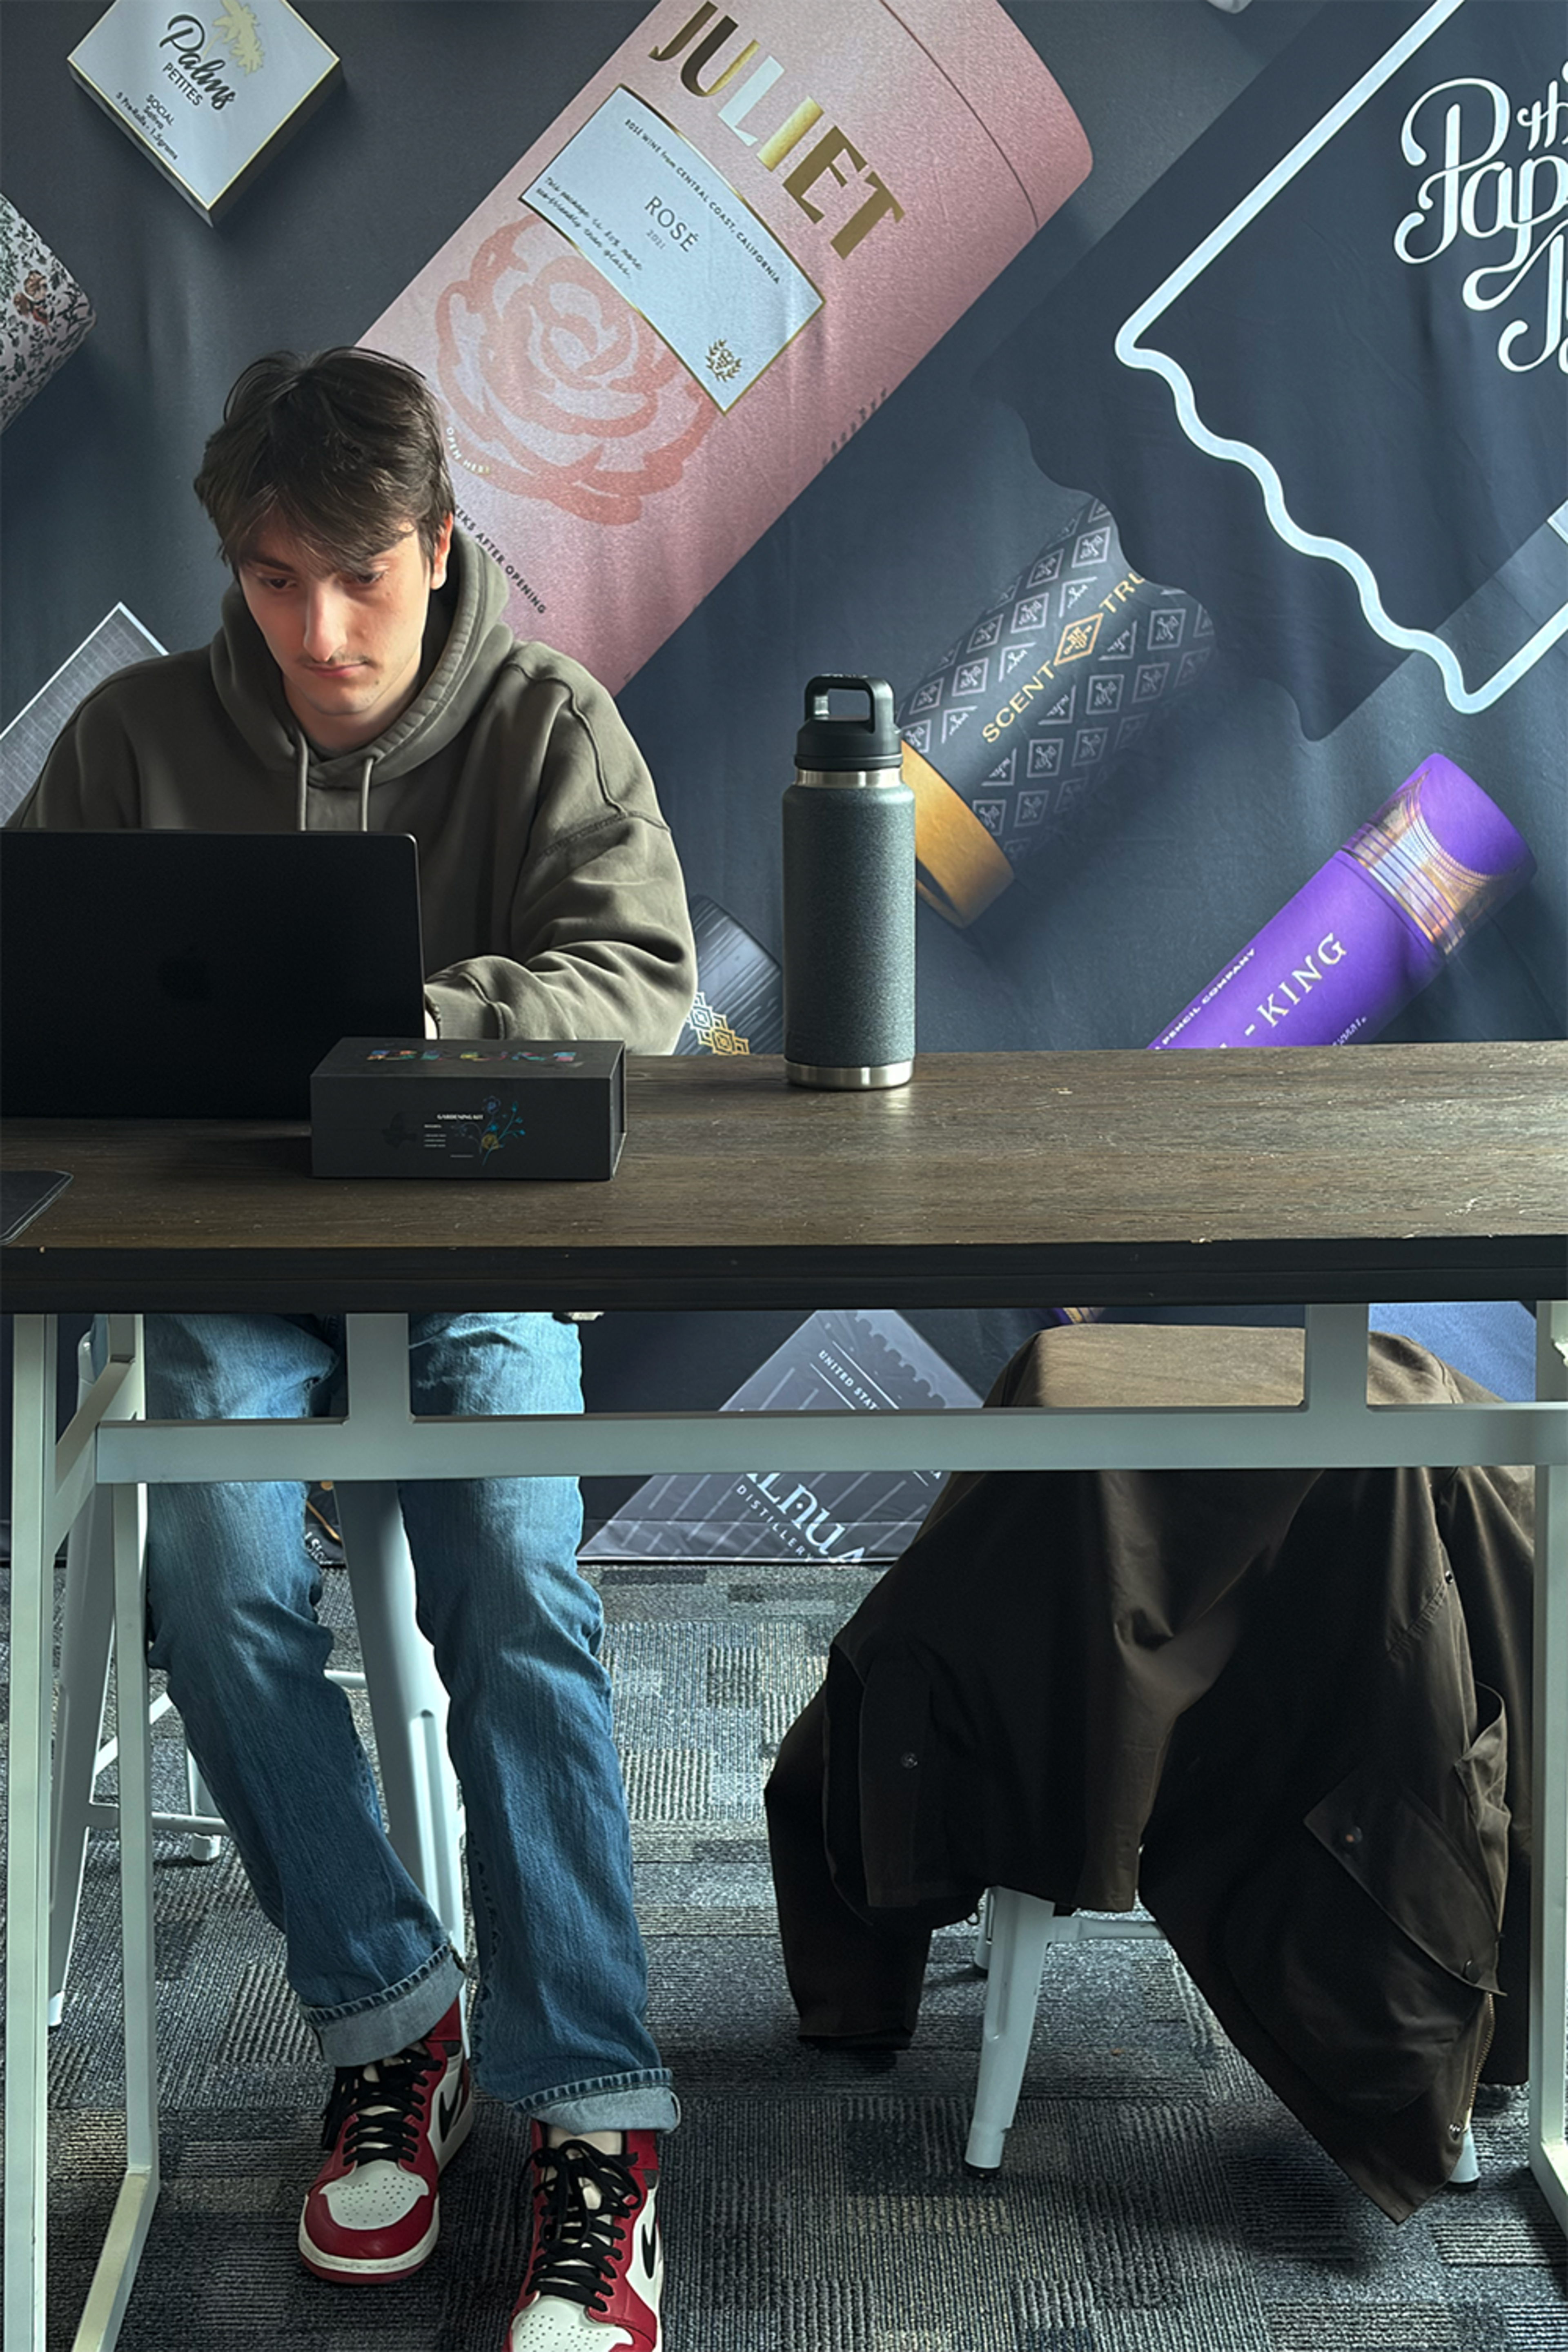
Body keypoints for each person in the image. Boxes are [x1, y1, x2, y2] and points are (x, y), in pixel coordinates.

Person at [12, 346, 697, 2351]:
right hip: (226, 1255)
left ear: (441, 549)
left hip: (472, 1242)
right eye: (271, 580)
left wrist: (403, 1024)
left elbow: (637, 980)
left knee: (514, 1567)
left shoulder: (549, 723)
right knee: (208, 1573)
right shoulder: (137, 737)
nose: (317, 634)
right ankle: (394, 2016)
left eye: (360, 582)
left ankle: (597, 2111)